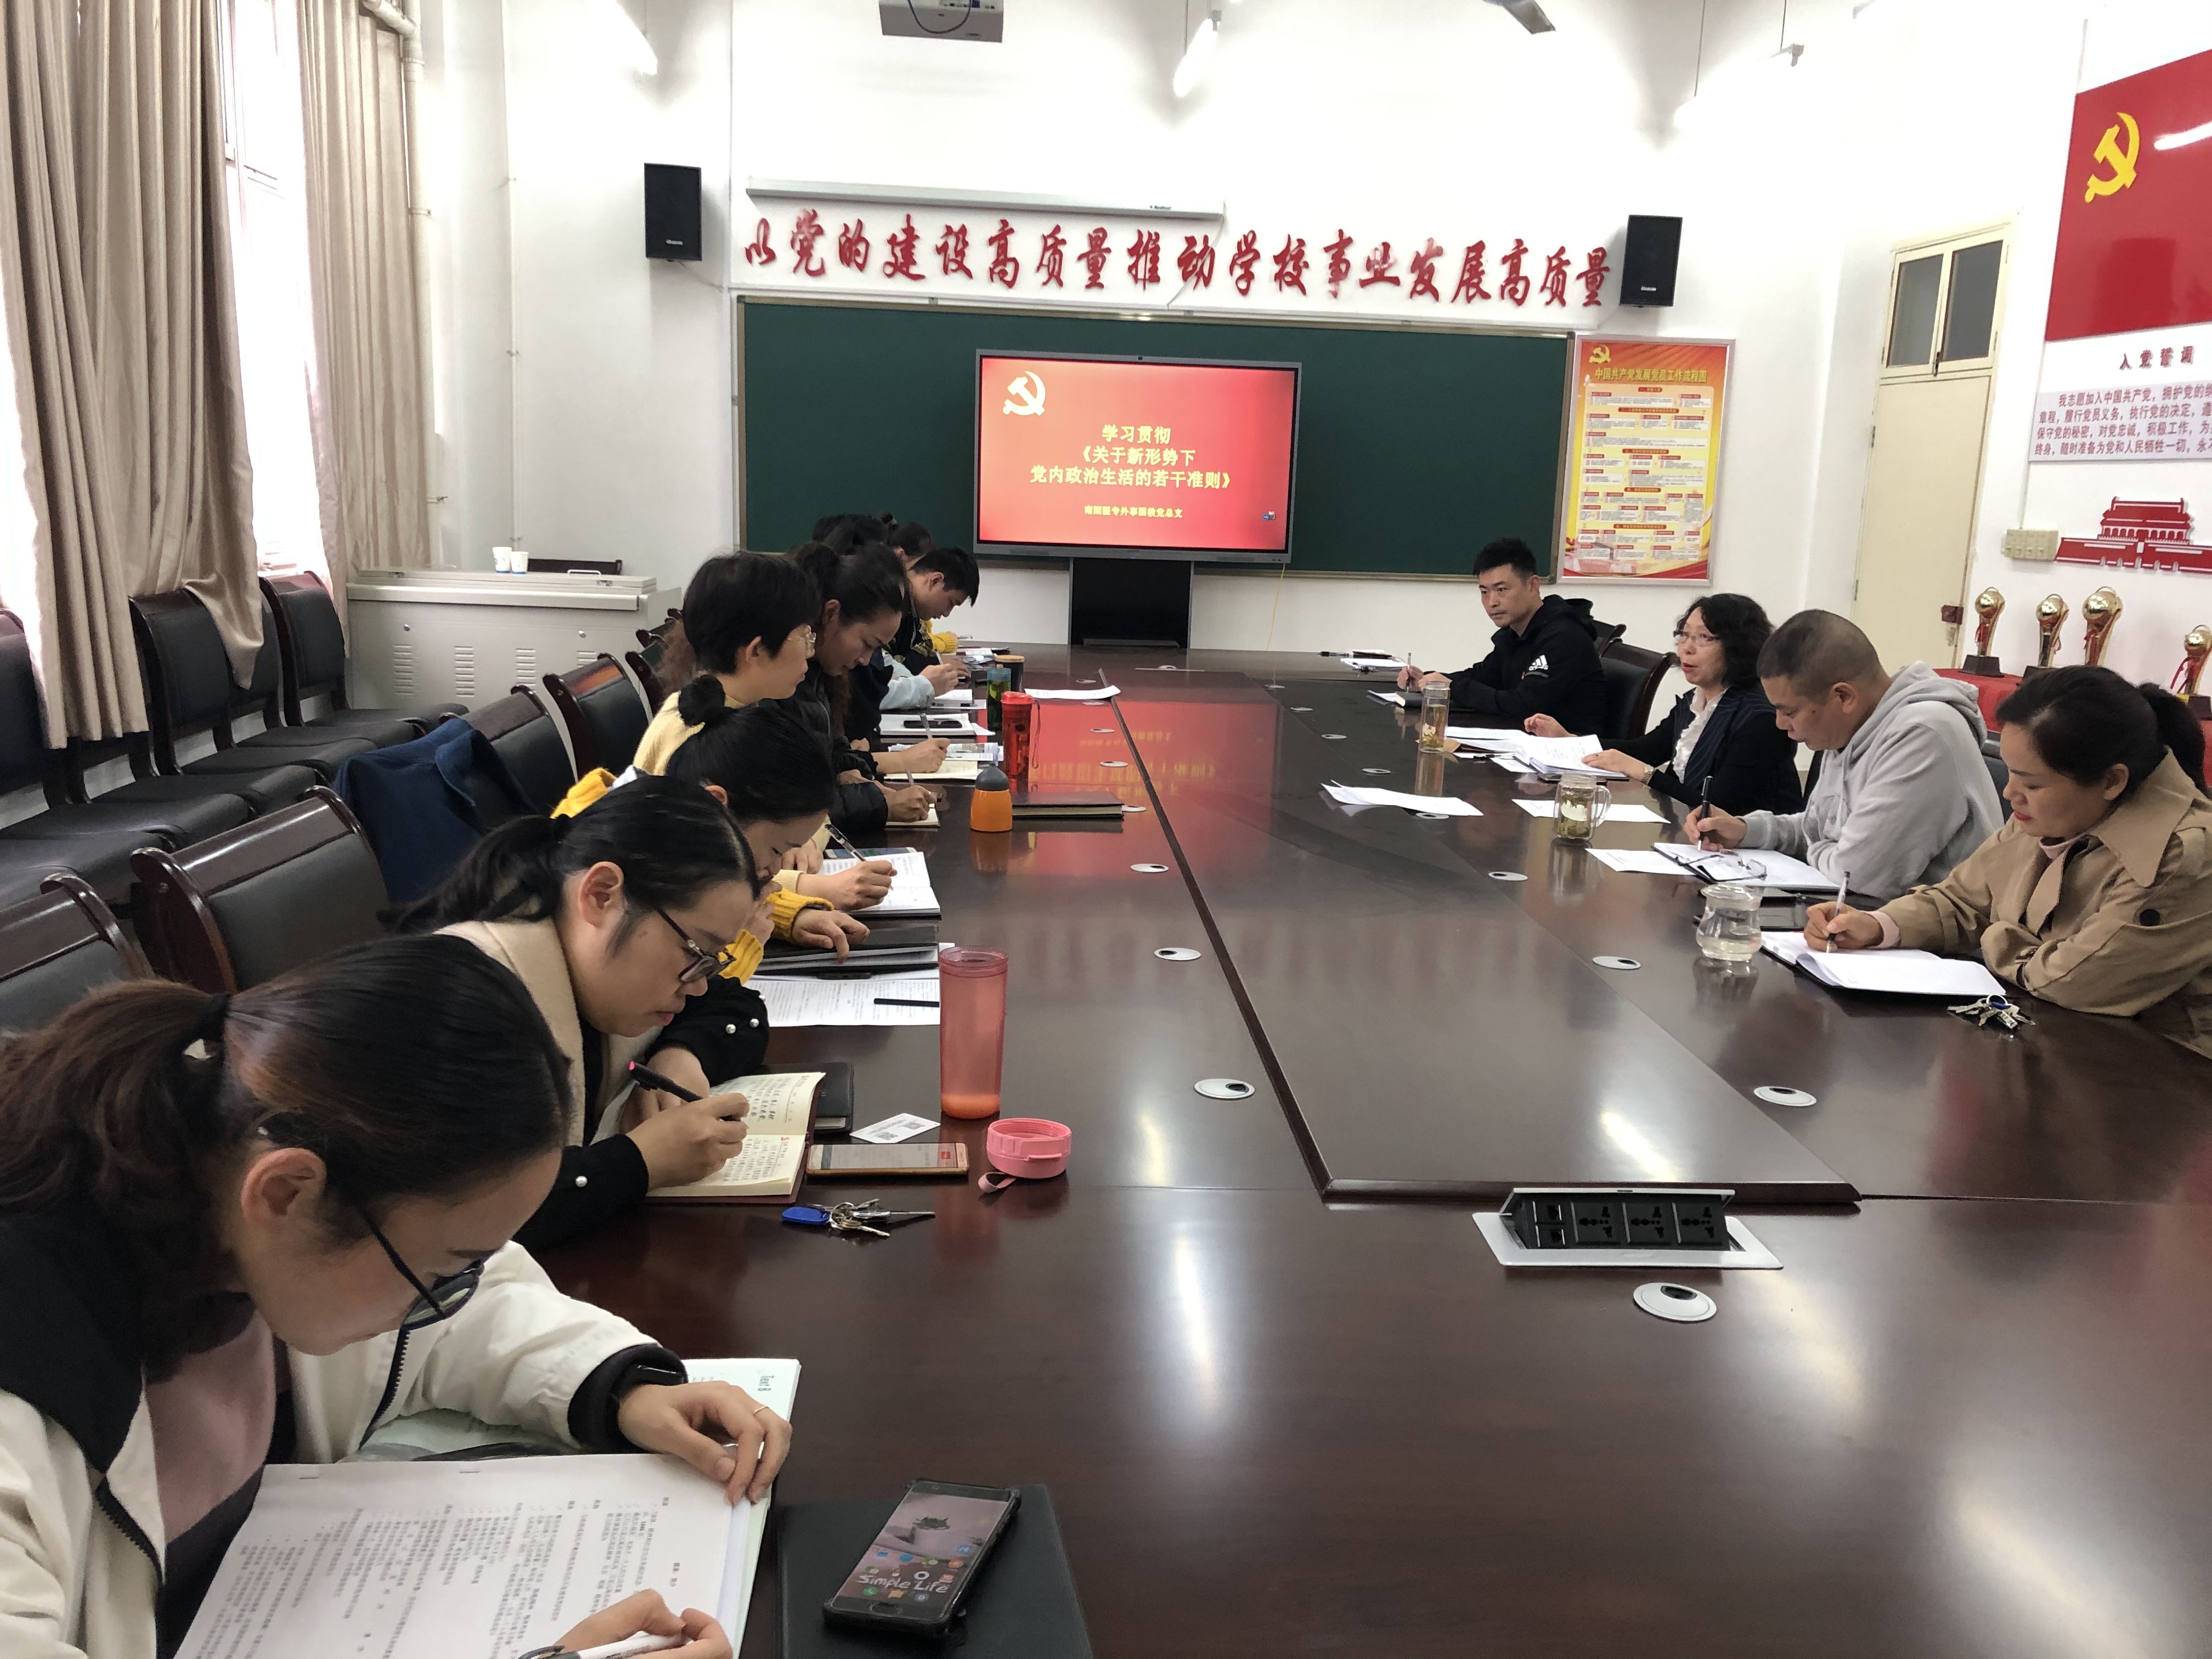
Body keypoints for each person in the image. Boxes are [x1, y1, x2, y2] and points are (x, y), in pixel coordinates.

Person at [0, 939, 786, 1658]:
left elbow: (465, 1304)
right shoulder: (31, 1367)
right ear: (285, 1193)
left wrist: (616, 1386)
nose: (443, 1298)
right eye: (439, 1273)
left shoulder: (232, 1182)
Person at [388, 779, 766, 1251]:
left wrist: (679, 1055)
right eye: (696, 952)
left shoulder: (584, 959)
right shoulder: (465, 1006)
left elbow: (737, 1008)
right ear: (602, 894)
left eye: (712, 961)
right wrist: (641, 1162)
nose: (699, 983)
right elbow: (466, 1218)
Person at [1808, 668, 2212, 1056]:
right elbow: (1962, 900)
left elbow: (2077, 981)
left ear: (2111, 781)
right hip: (2051, 1038)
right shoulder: (2057, 811)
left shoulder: (2183, 853)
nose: (2010, 793)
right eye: (2013, 774)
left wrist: (1997, 937)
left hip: (2162, 1071)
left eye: (2031, 783)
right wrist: (1879, 926)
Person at [624, 549, 890, 915]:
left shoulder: (741, 714)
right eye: (804, 636)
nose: (810, 652)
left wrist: (797, 839)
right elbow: (695, 882)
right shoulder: (700, 738)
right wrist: (810, 890)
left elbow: (807, 812)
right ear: (758, 650)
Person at [1684, 610, 2001, 902]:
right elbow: (1820, 828)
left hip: (1934, 936)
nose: (1780, 724)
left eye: (1789, 712)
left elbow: (1861, 876)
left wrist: (1829, 849)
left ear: (1843, 696)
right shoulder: (1853, 725)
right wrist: (1746, 830)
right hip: (1867, 916)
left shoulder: (1922, 734)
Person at [1527, 594, 1802, 816]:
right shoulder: (1696, 700)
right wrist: (1570, 740)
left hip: (1753, 855)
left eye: (1703, 638)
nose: (1686, 648)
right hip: (1692, 837)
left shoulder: (1761, 718)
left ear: (1739, 645)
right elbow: (1646, 750)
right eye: (1684, 635)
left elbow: (1715, 806)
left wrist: (1642, 772)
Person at [788, 543, 939, 835]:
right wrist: (881, 805)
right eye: (868, 644)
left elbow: (830, 750)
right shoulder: (785, 682)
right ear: (831, 614)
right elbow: (787, 805)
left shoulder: (820, 676)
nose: (866, 661)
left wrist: (848, 771)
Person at [1397, 538, 1605, 731]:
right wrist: (1429, 681)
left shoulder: (1565, 638)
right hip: (1522, 742)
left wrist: (1452, 687)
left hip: (1567, 753)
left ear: (1533, 585)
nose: (1492, 602)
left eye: (1502, 590)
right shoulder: (1515, 634)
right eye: (1484, 592)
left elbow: (1523, 706)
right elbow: (1483, 677)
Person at [879, 544, 980, 710]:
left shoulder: (912, 610)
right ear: (935, 581)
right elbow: (873, 681)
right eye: (951, 603)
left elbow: (885, 661)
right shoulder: (889, 600)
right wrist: (922, 685)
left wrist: (915, 683)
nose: (947, 614)